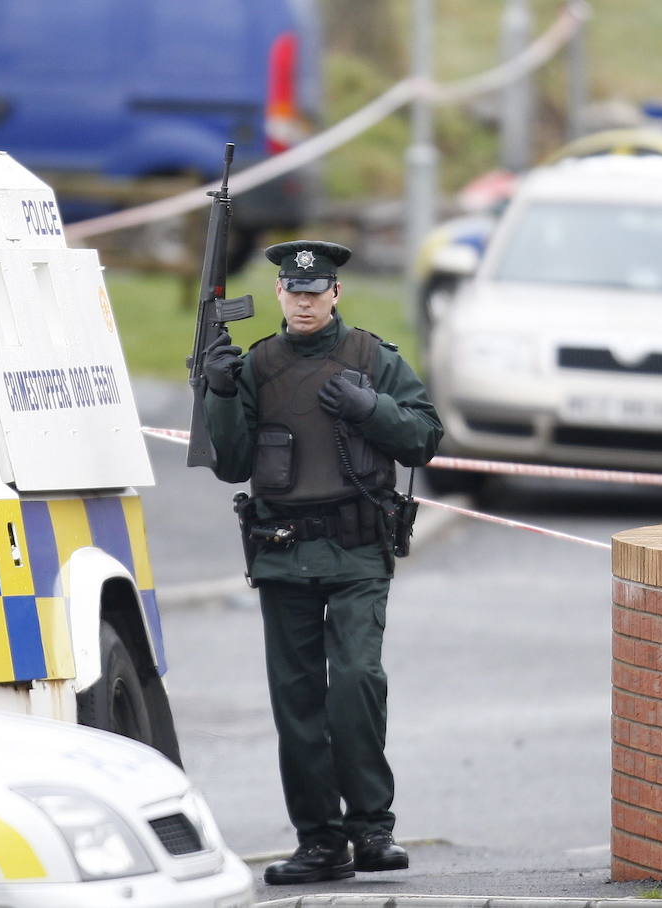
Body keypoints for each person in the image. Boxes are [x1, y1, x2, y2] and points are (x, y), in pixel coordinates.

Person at [201, 241, 443, 885]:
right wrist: (219, 390)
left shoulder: (372, 357)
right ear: (278, 294)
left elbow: (424, 437)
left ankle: (371, 829)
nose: (304, 303)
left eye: (315, 293)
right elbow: (231, 463)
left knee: (357, 681)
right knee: (298, 705)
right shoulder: (257, 365)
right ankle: (320, 841)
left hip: (359, 549)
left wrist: (373, 410)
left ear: (335, 293)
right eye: (294, 292)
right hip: (284, 554)